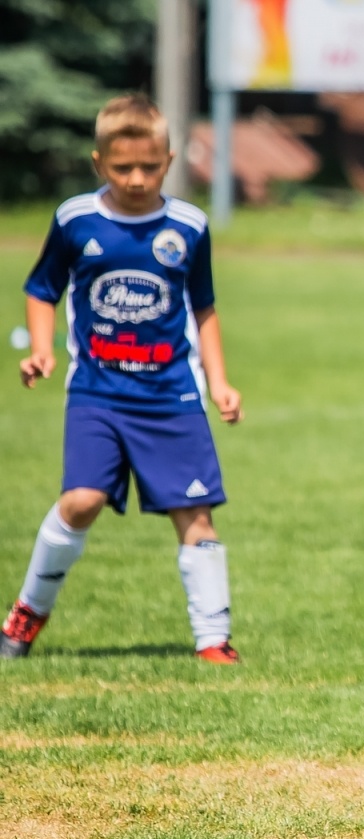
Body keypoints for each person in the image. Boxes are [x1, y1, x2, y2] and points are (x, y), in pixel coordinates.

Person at [3, 96, 242, 663]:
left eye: (150, 167)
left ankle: (214, 641)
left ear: (169, 159)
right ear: (98, 162)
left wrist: (221, 380)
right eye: (122, 168)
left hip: (173, 397)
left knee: (195, 514)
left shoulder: (188, 226)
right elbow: (41, 290)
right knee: (81, 501)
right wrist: (41, 350)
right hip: (97, 394)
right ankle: (26, 616)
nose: (137, 179)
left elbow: (204, 307)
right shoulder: (75, 220)